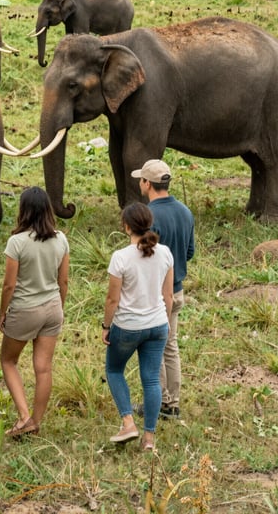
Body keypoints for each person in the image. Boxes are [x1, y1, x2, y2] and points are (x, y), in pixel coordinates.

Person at [0, 187, 69, 438]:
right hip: (52, 308)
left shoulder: (16, 242)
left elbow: (9, 284)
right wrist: (59, 305)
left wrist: (2, 311)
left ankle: (25, 417)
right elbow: (64, 282)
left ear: (23, 211)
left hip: (25, 309)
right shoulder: (61, 238)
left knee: (8, 360)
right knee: (43, 368)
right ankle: (35, 422)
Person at [103, 202, 173, 451]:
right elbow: (168, 296)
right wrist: (163, 322)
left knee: (114, 370)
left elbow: (113, 299)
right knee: (151, 380)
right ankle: (149, 440)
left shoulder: (120, 257)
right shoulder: (165, 253)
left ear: (126, 226)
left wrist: (106, 325)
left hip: (128, 326)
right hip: (158, 324)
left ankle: (128, 422)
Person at [132, 159, 195, 420]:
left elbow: (141, 258)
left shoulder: (149, 216)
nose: (139, 183)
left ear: (147, 183)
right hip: (178, 291)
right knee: (171, 346)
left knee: (152, 349)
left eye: (141, 179)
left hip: (155, 294)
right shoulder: (185, 212)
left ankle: (157, 403)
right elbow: (190, 252)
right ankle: (172, 402)